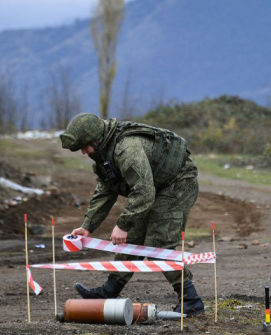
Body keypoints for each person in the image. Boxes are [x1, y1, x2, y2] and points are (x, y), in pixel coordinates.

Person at [59, 113, 205, 316]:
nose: (84, 152)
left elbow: (144, 192)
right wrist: (87, 226)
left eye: (85, 146)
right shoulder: (104, 153)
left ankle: (191, 300)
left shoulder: (127, 149)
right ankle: (110, 291)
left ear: (96, 139)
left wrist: (123, 224)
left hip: (178, 184)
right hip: (156, 186)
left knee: (159, 244)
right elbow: (105, 190)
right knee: (132, 241)